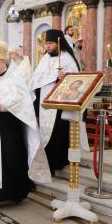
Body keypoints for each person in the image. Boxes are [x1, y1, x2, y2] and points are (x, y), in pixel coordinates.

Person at [0, 41, 51, 208]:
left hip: (8, 130)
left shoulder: (15, 80)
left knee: (10, 161)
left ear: (4, 61)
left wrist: (3, 107)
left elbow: (24, 104)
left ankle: (14, 193)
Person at [30, 29, 87, 175]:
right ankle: (47, 163)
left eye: (50, 43)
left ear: (58, 43)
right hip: (45, 103)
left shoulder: (67, 59)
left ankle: (58, 162)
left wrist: (65, 77)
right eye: (46, 43)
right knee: (44, 133)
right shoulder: (45, 59)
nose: (47, 46)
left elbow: (76, 82)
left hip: (60, 104)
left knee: (58, 134)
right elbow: (36, 81)